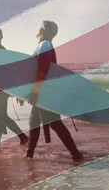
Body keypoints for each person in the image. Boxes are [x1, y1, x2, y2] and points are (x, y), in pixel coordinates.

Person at [23, 21, 83, 161]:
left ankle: (76, 154)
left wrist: (36, 91)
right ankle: (29, 154)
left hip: (44, 91)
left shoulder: (44, 45)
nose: (37, 28)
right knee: (35, 122)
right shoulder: (44, 45)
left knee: (54, 123)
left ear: (43, 30)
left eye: (40, 26)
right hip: (44, 89)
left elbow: (42, 69)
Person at [0, 27, 29, 147]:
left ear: (1, 37)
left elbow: (12, 73)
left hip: (1, 91)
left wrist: (17, 92)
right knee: (2, 116)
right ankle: (23, 137)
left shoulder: (3, 52)